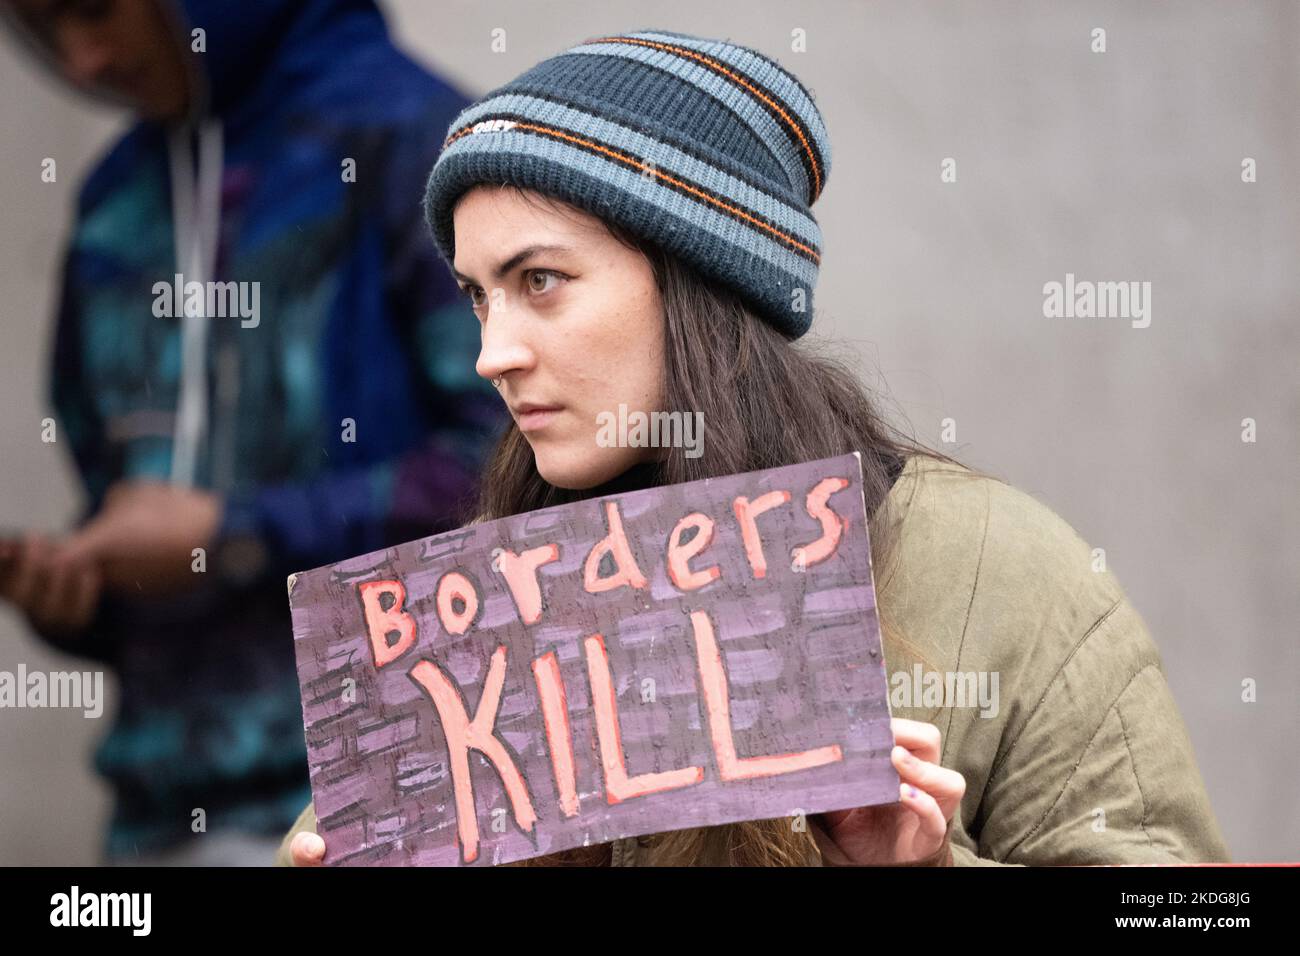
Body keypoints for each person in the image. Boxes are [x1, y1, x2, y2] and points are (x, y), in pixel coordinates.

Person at [279, 28, 1230, 866]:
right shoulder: (467, 611)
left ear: (699, 282)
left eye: (541, 280)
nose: (492, 353)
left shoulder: (999, 568)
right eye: (478, 294)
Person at [0, 0, 503, 864]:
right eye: (40, 27)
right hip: (157, 819)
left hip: (394, 802)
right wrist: (85, 591)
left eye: (92, 8)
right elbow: (122, 494)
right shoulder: (112, 205)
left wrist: (234, 536)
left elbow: (512, 473)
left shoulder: (413, 141)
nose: (79, 61)